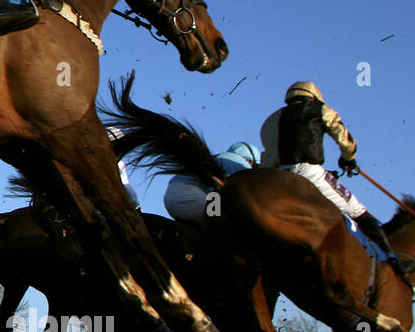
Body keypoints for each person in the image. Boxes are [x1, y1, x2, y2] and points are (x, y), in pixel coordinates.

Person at [261, 81, 408, 281]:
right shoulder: (319, 109)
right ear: (314, 96)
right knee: (360, 213)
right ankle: (392, 261)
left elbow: (268, 160)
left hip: (278, 179)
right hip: (310, 172)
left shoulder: (271, 121)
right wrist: (348, 159)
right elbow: (344, 139)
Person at [163, 141, 260, 222]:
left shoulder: (219, 157)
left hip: (171, 200)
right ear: (250, 161)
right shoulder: (239, 162)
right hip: (190, 197)